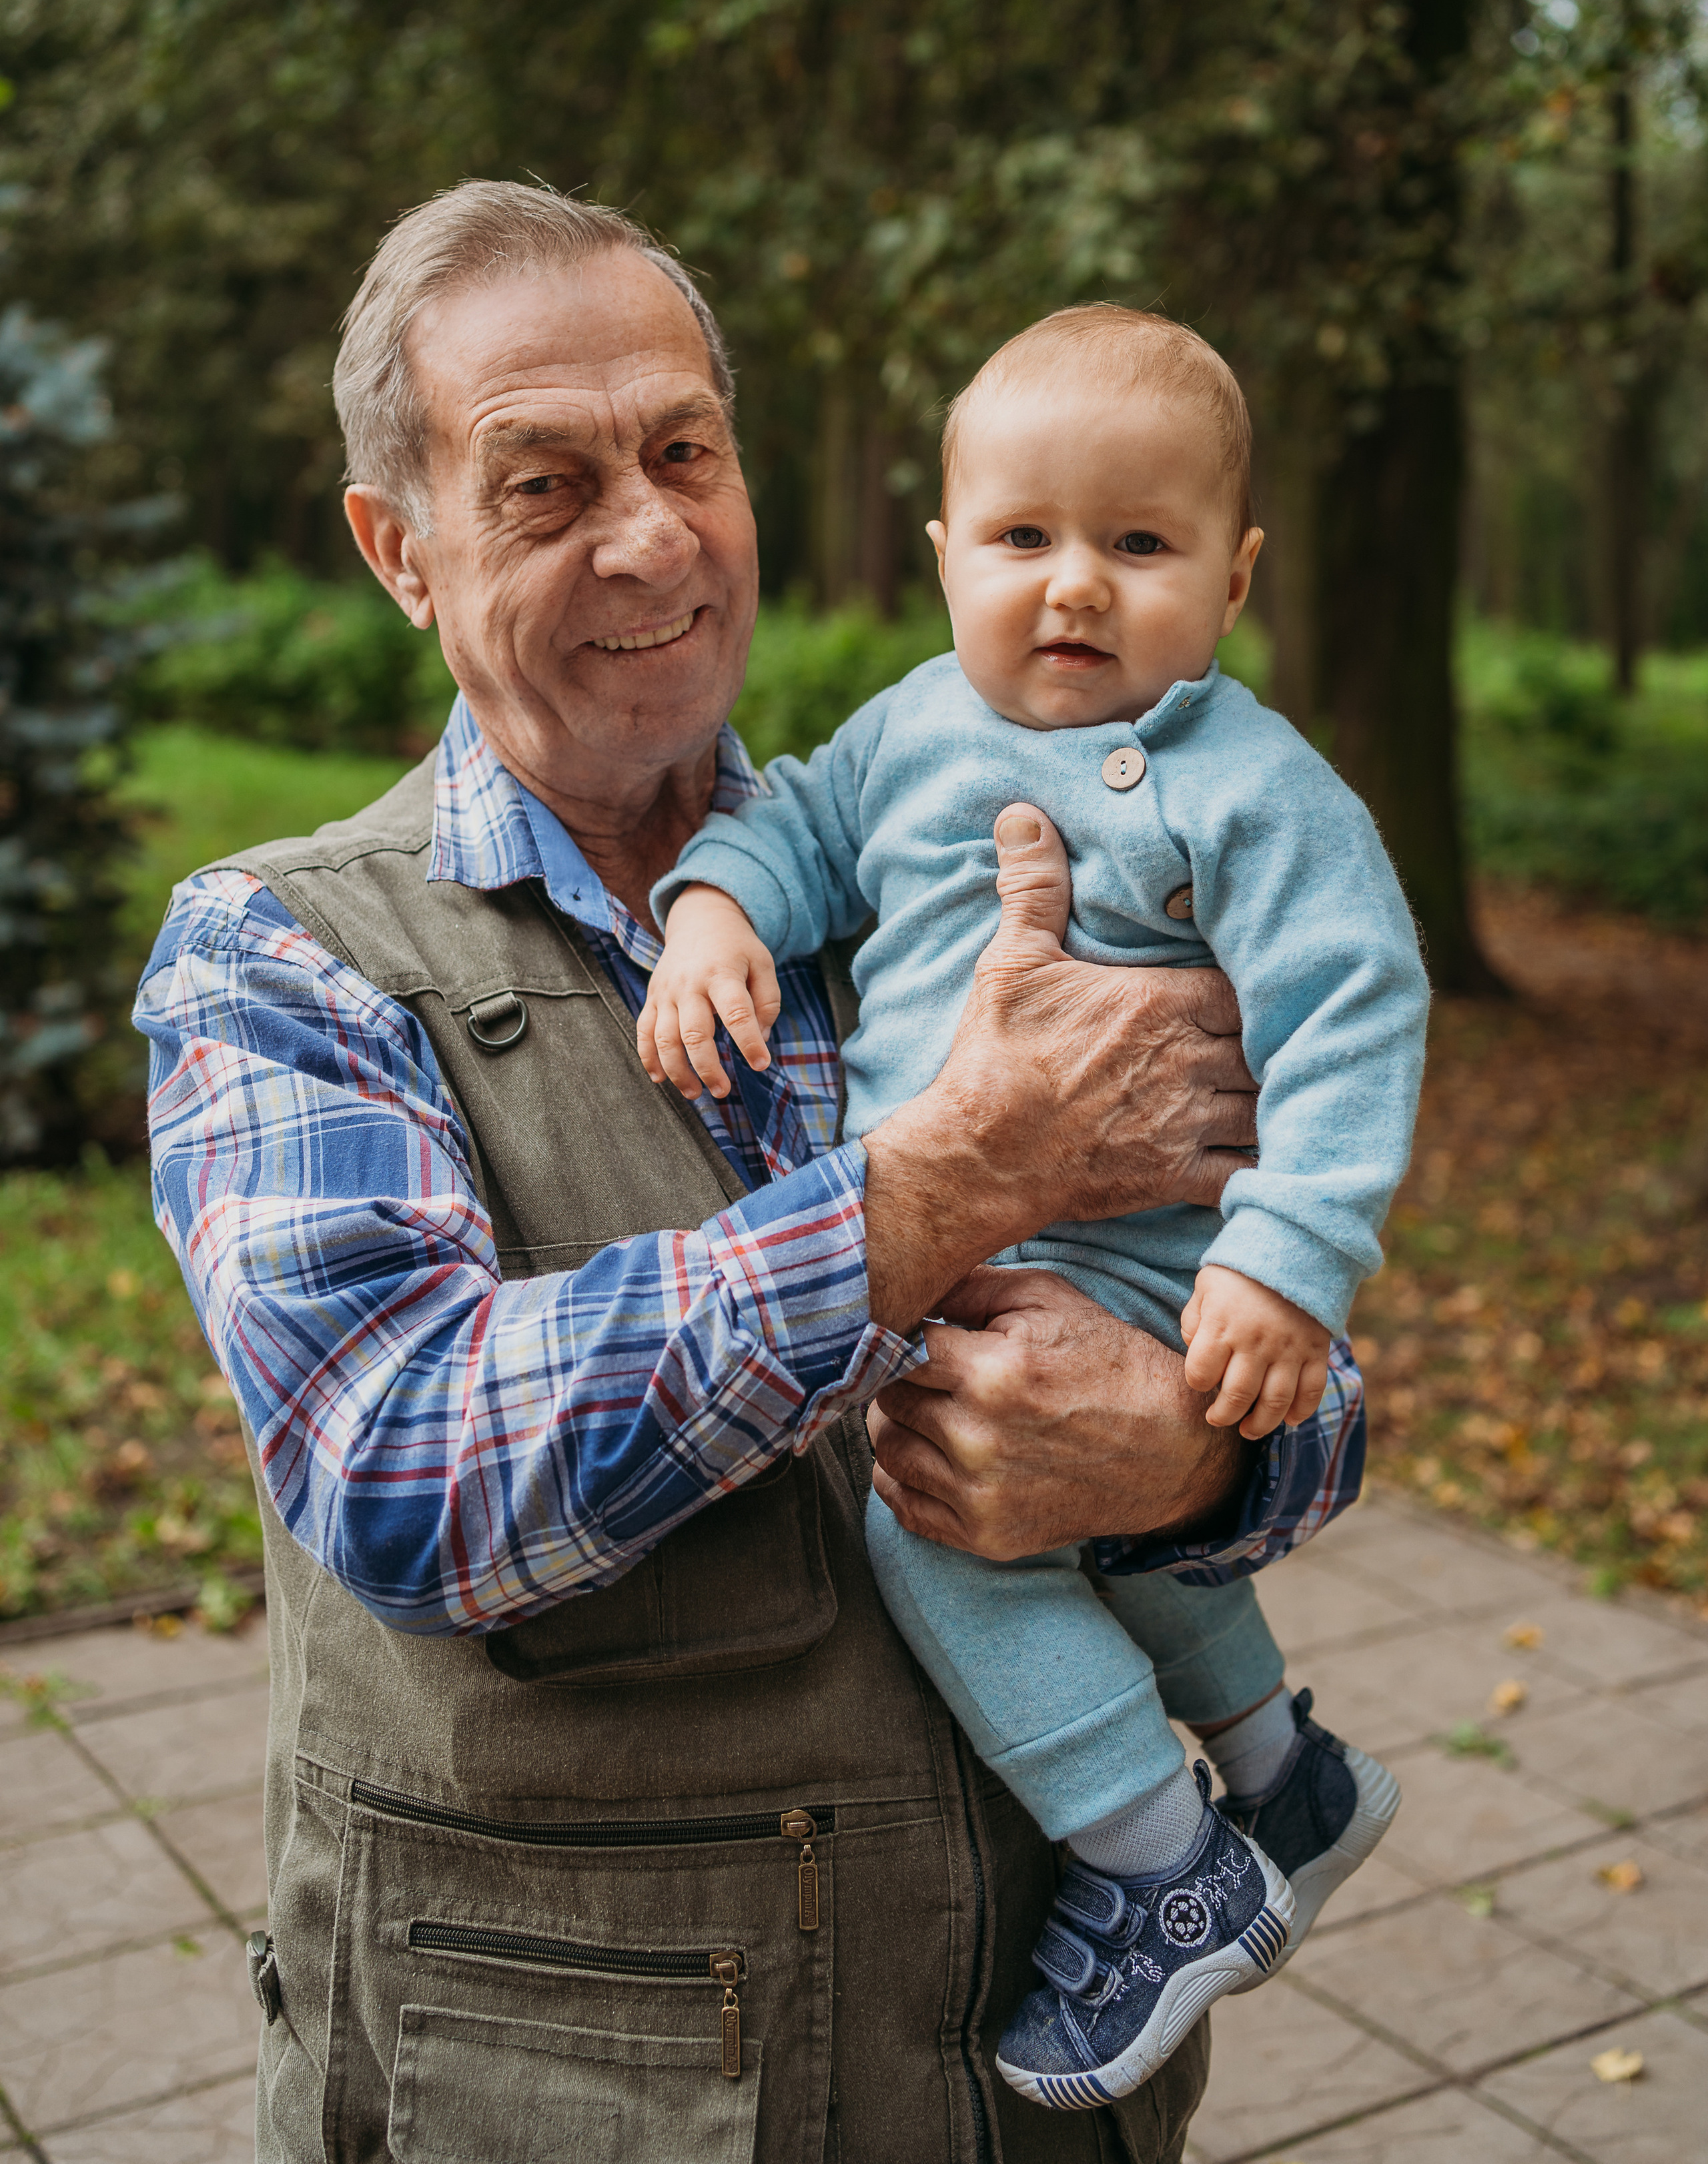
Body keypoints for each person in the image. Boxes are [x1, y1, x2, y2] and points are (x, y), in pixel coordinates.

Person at [135, 185, 1364, 2164]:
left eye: (686, 453)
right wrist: (921, 1203)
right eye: (543, 485)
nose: (651, 536)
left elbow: (1287, 1335)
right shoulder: (282, 959)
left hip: (1040, 2091)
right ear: (401, 552)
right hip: (589, 2097)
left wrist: (1195, 1455)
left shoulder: (952, 873)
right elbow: (404, 1469)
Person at [641, 305, 1428, 2109]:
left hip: (1150, 1262)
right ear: (942, 558)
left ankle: (1160, 1863)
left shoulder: (1252, 786)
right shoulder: (909, 734)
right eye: (1023, 540)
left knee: (948, 1517)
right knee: (1075, 1508)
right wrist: (713, 911)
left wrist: (1289, 1262)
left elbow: (1352, 1007)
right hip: (970, 1245)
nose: (1073, 588)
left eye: (1136, 546)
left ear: (1233, 578)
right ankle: (1280, 1774)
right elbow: (795, 832)